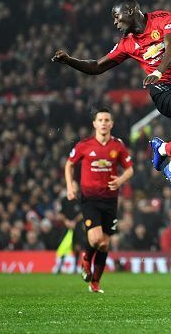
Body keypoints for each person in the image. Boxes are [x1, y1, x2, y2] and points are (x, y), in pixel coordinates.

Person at [53, 0, 171, 198]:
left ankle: (164, 148)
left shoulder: (164, 18)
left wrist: (158, 70)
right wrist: (70, 61)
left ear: (130, 11)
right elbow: (97, 66)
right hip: (163, 89)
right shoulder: (126, 44)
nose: (115, 22)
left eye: (116, 16)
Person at [65, 108, 134, 293]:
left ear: (111, 124)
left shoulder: (118, 146)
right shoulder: (84, 145)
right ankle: (86, 259)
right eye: (100, 120)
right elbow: (69, 164)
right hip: (90, 199)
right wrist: (70, 186)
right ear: (94, 124)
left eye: (107, 120)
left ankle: (95, 283)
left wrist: (120, 180)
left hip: (110, 200)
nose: (103, 123)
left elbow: (129, 169)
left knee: (104, 244)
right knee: (95, 239)